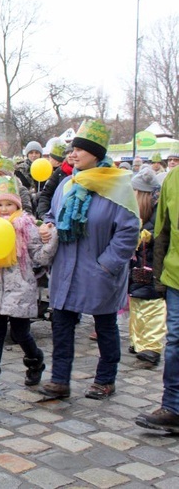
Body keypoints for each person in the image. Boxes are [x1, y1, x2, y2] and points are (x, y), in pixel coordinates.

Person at [39, 119, 140, 401]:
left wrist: (107, 264)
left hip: (98, 270)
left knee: (105, 326)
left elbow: (129, 230)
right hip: (65, 269)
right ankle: (60, 380)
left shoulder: (118, 186)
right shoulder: (68, 185)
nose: (72, 154)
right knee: (61, 323)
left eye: (79, 150)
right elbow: (53, 214)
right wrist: (47, 226)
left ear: (95, 153)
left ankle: (105, 379)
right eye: (72, 149)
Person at [0, 177, 58, 397]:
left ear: (17, 205)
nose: (4, 209)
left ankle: (35, 360)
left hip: (20, 288)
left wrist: (53, 239)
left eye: (8, 204)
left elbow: (40, 256)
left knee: (20, 332)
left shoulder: (27, 226)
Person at [136, 151, 179, 432]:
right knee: (175, 341)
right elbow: (163, 231)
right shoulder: (173, 179)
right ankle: (173, 407)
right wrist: (161, 281)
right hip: (176, 276)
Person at [127, 168, 166, 367]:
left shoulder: (156, 216)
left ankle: (150, 346)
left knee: (152, 309)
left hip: (151, 271)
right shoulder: (138, 215)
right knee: (137, 306)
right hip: (138, 271)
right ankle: (138, 341)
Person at [35, 138, 68, 219]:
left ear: (57, 161)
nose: (48, 160)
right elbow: (45, 194)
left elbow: (47, 194)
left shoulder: (58, 174)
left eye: (50, 157)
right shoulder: (54, 173)